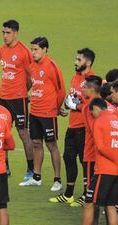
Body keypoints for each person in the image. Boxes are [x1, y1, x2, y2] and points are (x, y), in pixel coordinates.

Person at [49, 48, 96, 206]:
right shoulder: (76, 77)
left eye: (79, 60)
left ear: (88, 62)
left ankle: (85, 194)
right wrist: (66, 106)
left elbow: (92, 104)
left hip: (84, 127)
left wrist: (75, 107)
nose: (75, 62)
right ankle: (69, 194)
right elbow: (74, 97)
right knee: (68, 157)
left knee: (85, 161)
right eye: (76, 59)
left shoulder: (92, 81)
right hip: (72, 126)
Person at [19, 37, 66, 192]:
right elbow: (36, 84)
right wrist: (32, 95)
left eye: (36, 49)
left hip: (48, 113)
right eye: (32, 49)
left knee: (52, 145)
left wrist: (57, 108)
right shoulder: (32, 66)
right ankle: (36, 177)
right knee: (37, 143)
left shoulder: (52, 67)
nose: (33, 52)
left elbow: (61, 91)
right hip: (35, 112)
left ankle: (57, 180)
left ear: (45, 49)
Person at [0, 19, 33, 178]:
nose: (5, 36)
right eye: (3, 32)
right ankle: (5, 167)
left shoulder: (24, 52)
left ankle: (31, 169)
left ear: (16, 33)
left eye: (8, 33)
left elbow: (31, 76)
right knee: (2, 133)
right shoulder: (1, 50)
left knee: (23, 133)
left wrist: (23, 91)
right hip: (3, 97)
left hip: (18, 99)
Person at [82, 98, 118, 225]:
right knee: (111, 205)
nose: (92, 115)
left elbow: (101, 147)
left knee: (88, 203)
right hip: (115, 171)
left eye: (92, 112)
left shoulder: (99, 121)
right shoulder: (115, 119)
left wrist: (115, 159)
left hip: (104, 170)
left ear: (96, 108)